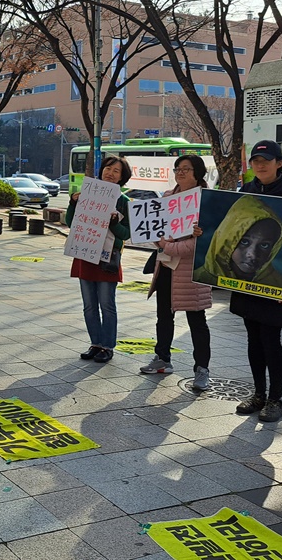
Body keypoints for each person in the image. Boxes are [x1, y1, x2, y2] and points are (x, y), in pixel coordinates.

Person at [227, 140, 282, 423]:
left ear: (279, 164)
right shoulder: (247, 191)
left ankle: (276, 399)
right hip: (249, 282)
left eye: (266, 160)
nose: (260, 165)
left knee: (271, 339)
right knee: (253, 338)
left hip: (278, 282)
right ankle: (258, 393)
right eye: (256, 160)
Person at [140, 155, 213, 391]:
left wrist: (166, 246)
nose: (180, 173)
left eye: (186, 169)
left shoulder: (207, 201)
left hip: (191, 271)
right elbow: (155, 231)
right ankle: (162, 358)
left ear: (198, 173)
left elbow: (200, 243)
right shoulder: (168, 198)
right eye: (177, 169)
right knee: (163, 315)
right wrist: (159, 242)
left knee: (197, 321)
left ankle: (202, 370)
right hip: (166, 266)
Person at [65, 156, 132, 364]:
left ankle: (107, 346)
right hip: (85, 254)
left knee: (107, 304)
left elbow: (126, 234)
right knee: (89, 305)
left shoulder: (124, 201)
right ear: (101, 170)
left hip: (107, 259)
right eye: (108, 168)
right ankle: (95, 343)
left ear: (122, 177)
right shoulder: (87, 193)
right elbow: (70, 222)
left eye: (116, 171)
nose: (110, 173)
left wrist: (112, 222)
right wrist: (72, 202)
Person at [192, 195, 282, 288]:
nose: (252, 254)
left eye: (264, 245)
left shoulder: (278, 285)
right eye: (244, 242)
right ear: (227, 239)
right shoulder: (201, 277)